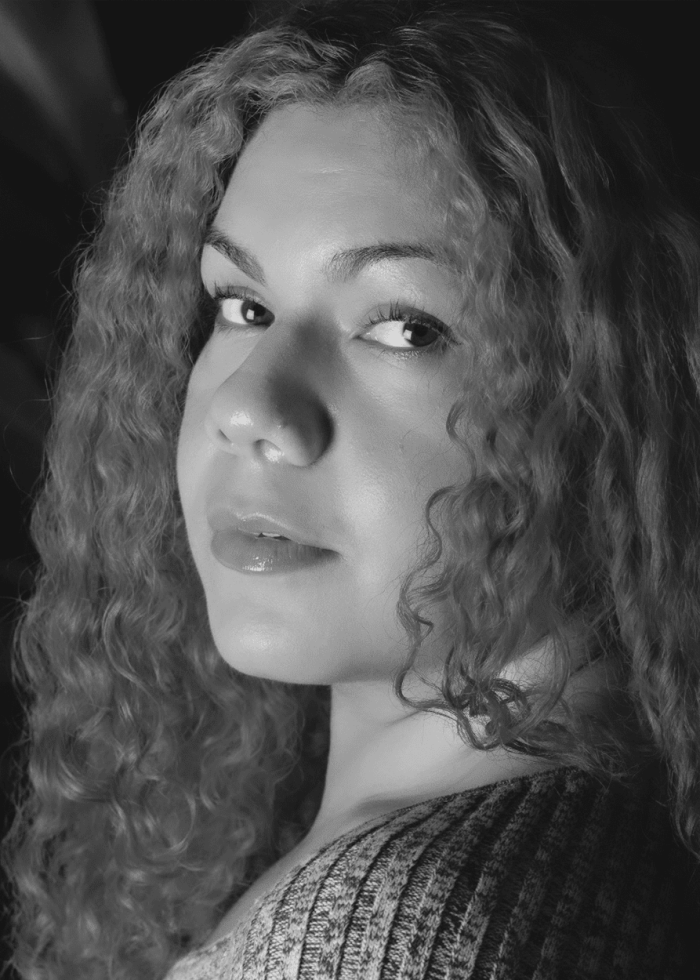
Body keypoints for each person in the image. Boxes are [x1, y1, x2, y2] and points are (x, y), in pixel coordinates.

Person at [3, 1, 700, 977]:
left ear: (609, 398)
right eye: (243, 306)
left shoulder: (401, 932)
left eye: (403, 327)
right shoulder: (497, 851)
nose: (249, 408)